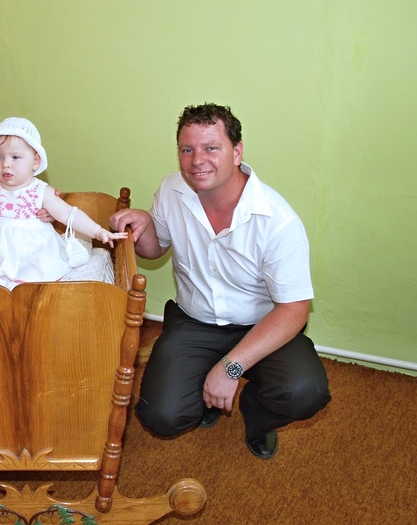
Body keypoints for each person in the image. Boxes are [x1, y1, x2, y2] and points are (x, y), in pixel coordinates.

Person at [110, 103, 331, 459]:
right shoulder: (171, 190)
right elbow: (155, 249)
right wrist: (144, 224)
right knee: (161, 416)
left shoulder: (278, 221)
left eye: (211, 148)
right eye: (187, 149)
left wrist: (230, 368)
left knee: (305, 392)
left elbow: (294, 310)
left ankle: (257, 412)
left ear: (237, 152)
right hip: (194, 321)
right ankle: (205, 396)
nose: (197, 160)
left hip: (261, 325)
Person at [0, 117, 127, 290]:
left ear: (35, 161)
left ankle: (22, 291)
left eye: (15, 157)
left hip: (32, 255)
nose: (5, 164)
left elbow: (68, 214)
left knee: (33, 281)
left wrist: (98, 231)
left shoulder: (41, 191)